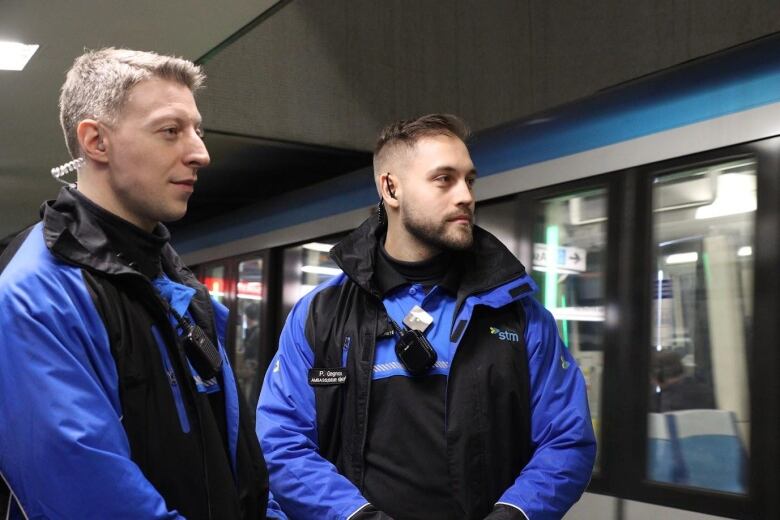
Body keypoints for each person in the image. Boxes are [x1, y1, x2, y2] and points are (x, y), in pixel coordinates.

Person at [257, 114, 596, 519]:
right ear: (391, 188)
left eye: (470, 180)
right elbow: (281, 440)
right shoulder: (321, 314)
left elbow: (566, 439)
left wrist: (513, 514)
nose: (466, 196)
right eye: (444, 179)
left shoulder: (520, 314)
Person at [0, 48, 285, 519]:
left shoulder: (174, 283)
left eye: (198, 130)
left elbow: (235, 461)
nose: (200, 153)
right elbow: (91, 501)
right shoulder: (36, 297)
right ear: (96, 142)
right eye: (171, 131)